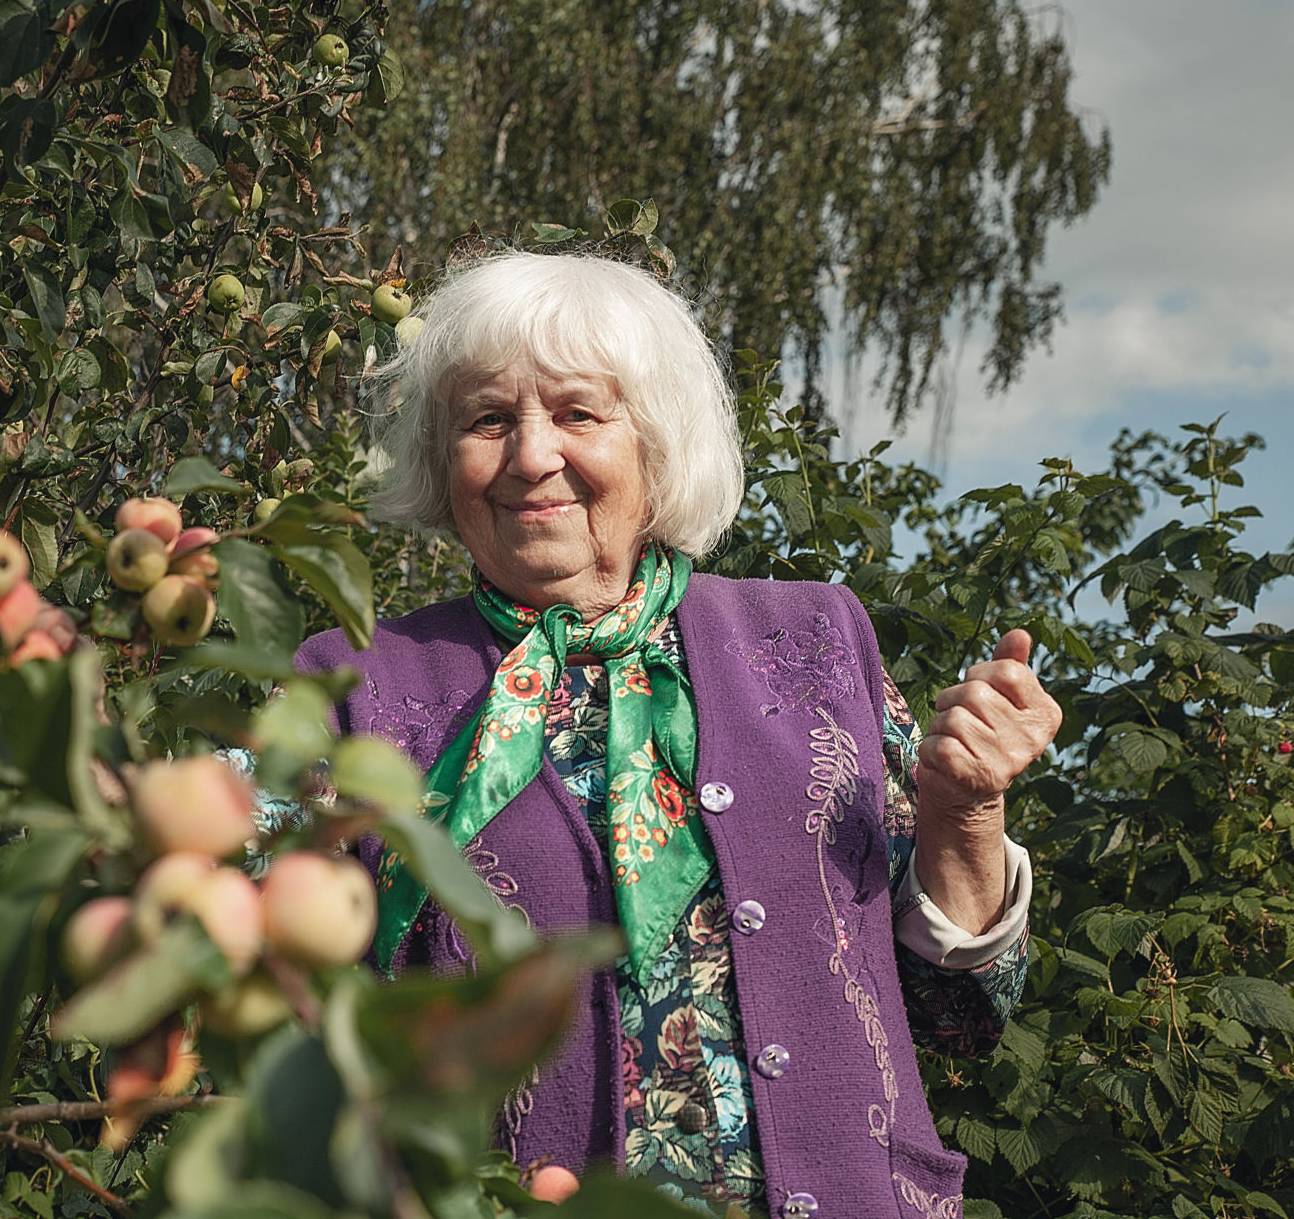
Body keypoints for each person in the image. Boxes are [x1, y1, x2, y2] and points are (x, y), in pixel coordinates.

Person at [291, 251, 1061, 1219]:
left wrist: (967, 812)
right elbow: (257, 995)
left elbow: (965, 1013)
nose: (533, 454)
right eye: (490, 419)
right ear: (444, 463)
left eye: (577, 413)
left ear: (653, 443)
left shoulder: (818, 641)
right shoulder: (357, 685)